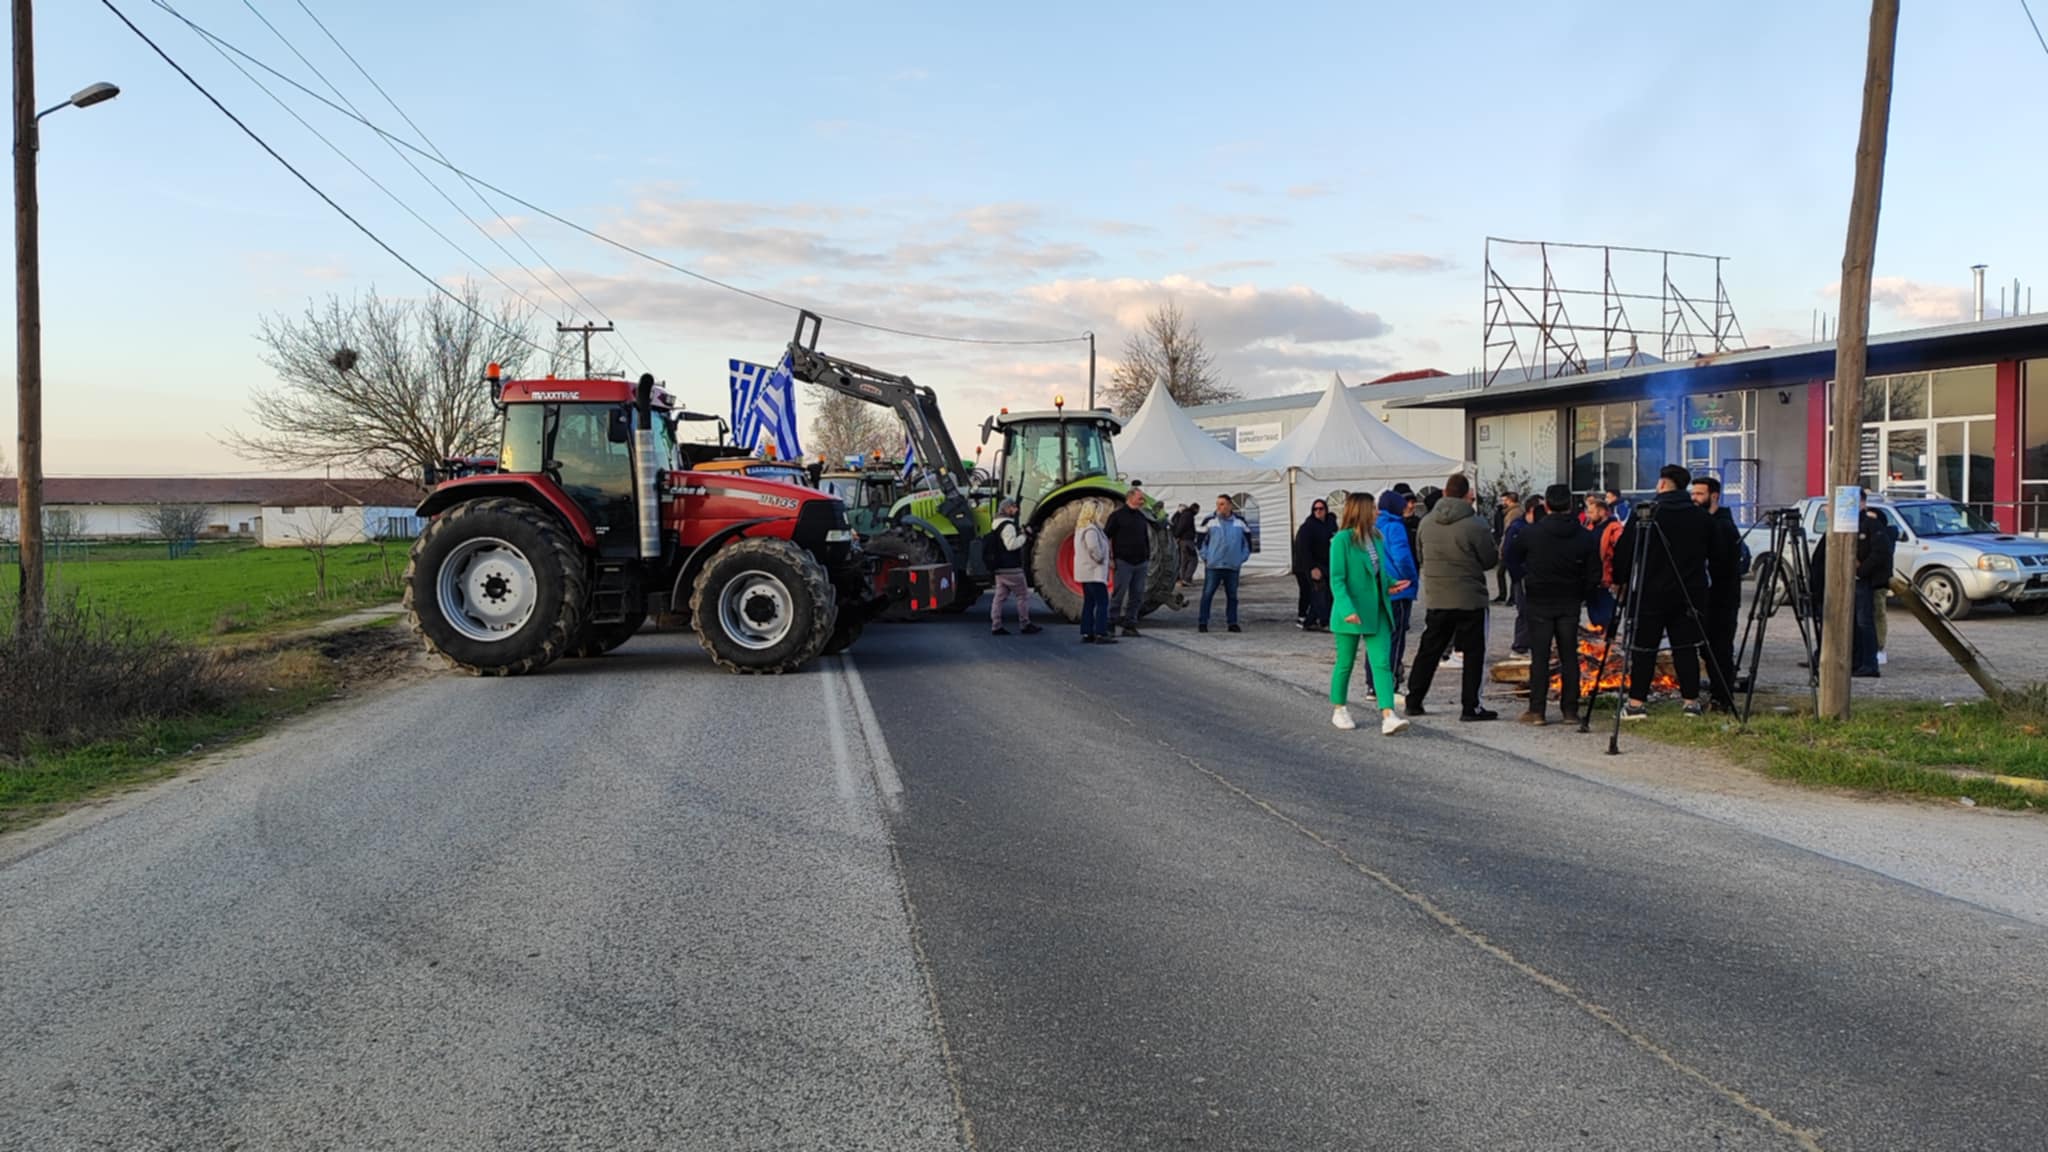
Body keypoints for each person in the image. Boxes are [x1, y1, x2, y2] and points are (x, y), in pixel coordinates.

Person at [1612, 465, 1711, 720]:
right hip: (1688, 593)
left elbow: (1624, 550)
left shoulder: (1646, 512)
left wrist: (1619, 580)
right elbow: (1716, 551)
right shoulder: (1699, 516)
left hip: (1649, 591)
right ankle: (1690, 702)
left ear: (1663, 484)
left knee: (1644, 648)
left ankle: (1636, 703)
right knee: (1685, 647)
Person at [1402, 473, 1501, 722]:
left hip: (1437, 596)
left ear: (1445, 492)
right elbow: (1490, 560)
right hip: (1470, 597)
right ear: (1467, 494)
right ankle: (1471, 706)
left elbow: (1421, 556)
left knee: (1429, 650)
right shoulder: (1475, 523)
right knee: (1474, 653)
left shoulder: (1426, 522)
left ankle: (1414, 699)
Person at [1510, 484, 1600, 725]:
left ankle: (1537, 711)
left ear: (1546, 506)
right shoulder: (1584, 535)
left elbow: (1510, 557)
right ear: (1571, 505)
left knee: (1539, 657)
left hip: (1539, 599)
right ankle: (1570, 711)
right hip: (1569, 600)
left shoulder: (1531, 533)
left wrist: (1524, 577)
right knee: (1569, 656)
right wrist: (1581, 593)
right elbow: (1595, 572)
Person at [1328, 493, 1414, 736]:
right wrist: (1347, 610)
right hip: (1351, 612)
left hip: (1377, 610)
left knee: (1382, 663)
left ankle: (1388, 714)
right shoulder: (1341, 541)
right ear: (1362, 510)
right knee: (1345, 662)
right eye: (1373, 508)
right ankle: (1339, 707)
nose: (1377, 512)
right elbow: (1337, 580)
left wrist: (1392, 583)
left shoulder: (1376, 537)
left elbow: (1378, 574)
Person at [1690, 476, 1744, 709]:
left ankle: (1722, 697)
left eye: (1699, 494)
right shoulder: (1703, 522)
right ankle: (1716, 693)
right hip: (1705, 599)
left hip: (1721, 599)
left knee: (1720, 649)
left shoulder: (1723, 526)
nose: (1694, 498)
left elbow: (1723, 565)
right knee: (1706, 648)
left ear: (1714, 496)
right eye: (1693, 494)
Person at [1375, 489, 1420, 687]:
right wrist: (1411, 577)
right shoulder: (1395, 527)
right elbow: (1402, 557)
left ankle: (1373, 682)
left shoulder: (1375, 526)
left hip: (1381, 585)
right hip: (1399, 587)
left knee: (1379, 638)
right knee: (1396, 636)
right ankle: (1390, 681)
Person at [985, 499, 1041, 636]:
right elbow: (1010, 545)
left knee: (999, 597)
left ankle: (996, 625)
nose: (1016, 510)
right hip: (1011, 568)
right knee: (1022, 596)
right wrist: (1024, 536)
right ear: (1007, 509)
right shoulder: (1008, 526)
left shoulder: (995, 524)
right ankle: (1025, 624)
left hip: (999, 569)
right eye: (1014, 507)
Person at [1197, 494, 1251, 633]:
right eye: (1217, 504)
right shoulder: (1209, 521)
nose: (1219, 507)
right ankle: (1203, 622)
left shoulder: (1240, 522)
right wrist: (1207, 557)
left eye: (1222, 504)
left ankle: (1232, 622)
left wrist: (1241, 558)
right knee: (1208, 594)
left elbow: (1248, 543)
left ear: (1229, 505)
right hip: (1214, 566)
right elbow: (1200, 542)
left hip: (1232, 566)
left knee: (1232, 596)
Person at [1103, 486, 1153, 638]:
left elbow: (1145, 537)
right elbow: (1106, 537)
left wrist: (1147, 556)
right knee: (1119, 593)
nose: (1142, 500)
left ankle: (1130, 625)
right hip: (1124, 561)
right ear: (1130, 498)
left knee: (1137, 595)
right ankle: (1110, 623)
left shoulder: (1141, 516)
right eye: (1140, 498)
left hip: (1141, 562)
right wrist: (1110, 558)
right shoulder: (1117, 516)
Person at [1502, 497, 1543, 655]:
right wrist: (1518, 574)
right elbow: (1509, 553)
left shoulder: (1538, 527)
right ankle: (1520, 645)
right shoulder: (1518, 527)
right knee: (1525, 611)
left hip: (1537, 576)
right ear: (1532, 510)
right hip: (1523, 576)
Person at [1292, 498, 1337, 631]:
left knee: (1323, 593)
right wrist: (1311, 568)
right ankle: (1319, 620)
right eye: (1315, 509)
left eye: (1321, 509)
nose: (1318, 511)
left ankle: (1313, 620)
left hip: (1326, 564)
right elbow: (1303, 550)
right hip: (1309, 565)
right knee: (1317, 592)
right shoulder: (1307, 527)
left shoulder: (1331, 524)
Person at [1074, 502, 1115, 645]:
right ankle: (1100, 632)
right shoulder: (1091, 530)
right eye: (1099, 511)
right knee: (1102, 602)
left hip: (1085, 572)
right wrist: (1101, 558)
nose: (1101, 514)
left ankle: (1087, 632)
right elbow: (1093, 547)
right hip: (1094, 572)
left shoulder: (1081, 528)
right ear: (1094, 512)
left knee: (1089, 602)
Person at [1583, 495, 1619, 628]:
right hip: (1591, 577)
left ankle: (1606, 637)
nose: (1588, 515)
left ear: (1602, 512)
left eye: (1591, 512)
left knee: (1606, 613)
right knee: (1593, 611)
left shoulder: (1614, 528)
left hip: (1606, 578)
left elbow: (1619, 553)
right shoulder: (1589, 527)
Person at [1491, 492, 1521, 604]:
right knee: (1504, 571)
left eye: (1504, 500)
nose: (1503, 502)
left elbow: (1507, 531)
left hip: (1510, 545)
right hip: (1512, 544)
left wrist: (1502, 547)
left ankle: (1511, 597)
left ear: (1509, 500)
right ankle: (1506, 596)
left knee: (1505, 571)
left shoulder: (1512, 513)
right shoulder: (1509, 512)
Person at [1170, 502, 1200, 586]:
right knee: (1193, 560)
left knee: (1184, 560)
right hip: (1187, 541)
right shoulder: (1188, 515)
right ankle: (1186, 579)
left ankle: (1183, 579)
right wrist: (1177, 535)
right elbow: (1181, 527)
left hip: (1182, 541)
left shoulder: (1180, 515)